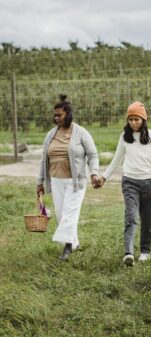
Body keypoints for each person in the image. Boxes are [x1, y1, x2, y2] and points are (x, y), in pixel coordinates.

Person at [98, 101, 151, 266]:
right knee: (131, 217)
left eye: (137, 119)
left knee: (147, 220)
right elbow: (116, 160)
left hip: (149, 183)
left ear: (143, 119)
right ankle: (129, 253)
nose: (133, 123)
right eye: (131, 119)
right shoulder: (124, 137)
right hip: (130, 183)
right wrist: (104, 177)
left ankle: (145, 251)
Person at [36, 94, 99, 261]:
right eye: (55, 115)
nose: (56, 118)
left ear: (68, 114)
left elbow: (93, 155)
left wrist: (94, 173)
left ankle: (67, 247)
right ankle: (75, 242)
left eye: (60, 115)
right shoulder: (51, 134)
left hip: (75, 181)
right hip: (56, 181)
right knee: (61, 214)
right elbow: (44, 158)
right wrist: (39, 182)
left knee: (69, 214)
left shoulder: (81, 133)